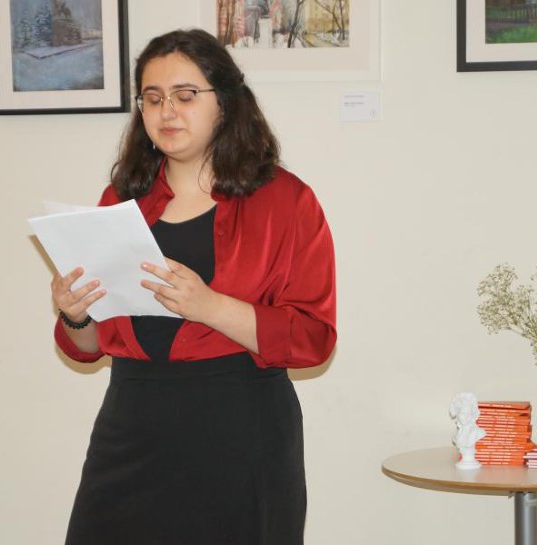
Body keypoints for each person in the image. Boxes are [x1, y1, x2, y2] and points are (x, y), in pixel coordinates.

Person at [50, 28, 336, 545]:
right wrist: (76, 314)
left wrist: (210, 306)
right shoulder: (120, 199)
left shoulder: (286, 200)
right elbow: (92, 346)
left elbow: (313, 338)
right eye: (153, 98)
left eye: (185, 96)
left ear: (225, 102)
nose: (167, 112)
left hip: (240, 432)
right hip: (131, 426)